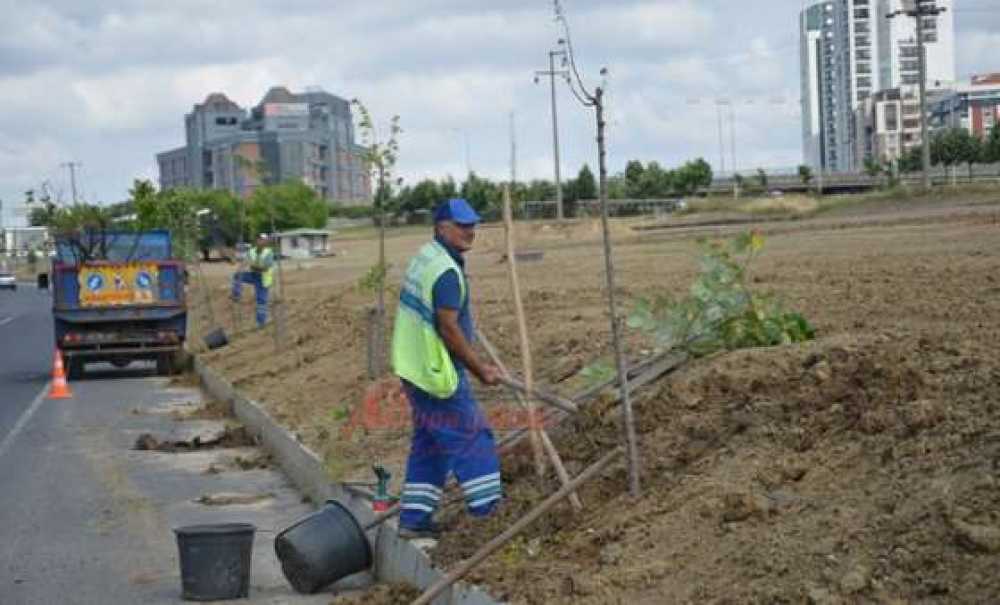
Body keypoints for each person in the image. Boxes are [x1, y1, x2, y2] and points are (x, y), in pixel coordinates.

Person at [390, 198, 502, 539]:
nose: (470, 231)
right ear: (441, 227)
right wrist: (481, 370)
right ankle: (489, 517)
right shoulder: (447, 273)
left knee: (431, 444)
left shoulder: (427, 257)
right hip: (435, 372)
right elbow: (449, 329)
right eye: (462, 225)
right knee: (473, 437)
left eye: (472, 225)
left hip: (413, 367)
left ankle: (414, 519)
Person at [231, 234, 274, 328]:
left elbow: (266, 268)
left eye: (263, 240)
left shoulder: (269, 252)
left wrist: (254, 266)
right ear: (257, 241)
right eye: (259, 239)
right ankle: (236, 295)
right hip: (254, 275)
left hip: (264, 278)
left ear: (266, 242)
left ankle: (261, 322)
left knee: (261, 301)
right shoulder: (252, 251)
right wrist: (239, 269)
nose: (261, 241)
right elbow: (245, 263)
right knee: (237, 276)